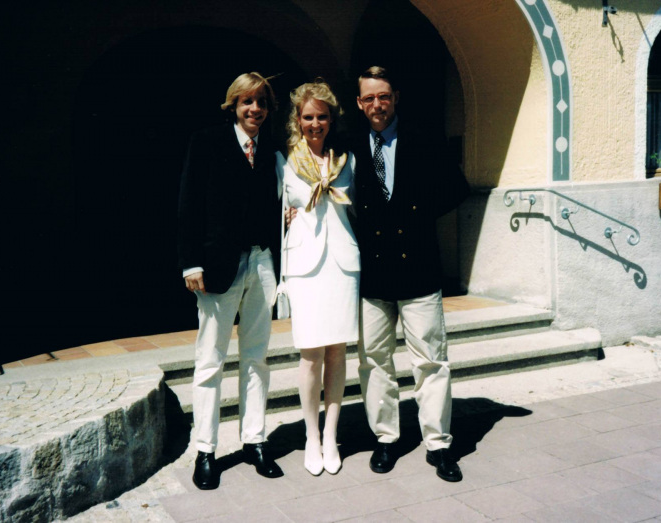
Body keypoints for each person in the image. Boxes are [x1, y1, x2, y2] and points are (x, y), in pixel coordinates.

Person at [351, 66, 469, 482]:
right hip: (373, 274)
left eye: (383, 96)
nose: (377, 105)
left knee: (431, 362)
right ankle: (386, 439)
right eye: (369, 98)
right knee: (374, 361)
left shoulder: (423, 138)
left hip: (419, 266)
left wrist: (415, 214)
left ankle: (438, 445)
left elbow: (458, 188)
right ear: (359, 102)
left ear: (395, 96)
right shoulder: (349, 145)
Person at [177, 72, 283, 490]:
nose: (254, 109)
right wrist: (190, 264)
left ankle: (254, 441)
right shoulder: (206, 142)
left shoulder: (273, 149)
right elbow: (188, 204)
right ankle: (206, 450)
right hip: (218, 266)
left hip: (262, 263)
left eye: (261, 102)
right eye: (247, 102)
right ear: (233, 105)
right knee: (210, 360)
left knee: (256, 356)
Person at [277, 80, 359, 476]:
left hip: (342, 264)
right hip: (305, 266)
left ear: (331, 119)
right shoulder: (286, 162)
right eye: (308, 116)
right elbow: (273, 211)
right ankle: (311, 435)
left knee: (337, 353)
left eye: (321, 116)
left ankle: (331, 434)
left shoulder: (348, 161)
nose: (315, 123)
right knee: (310, 355)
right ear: (298, 119)